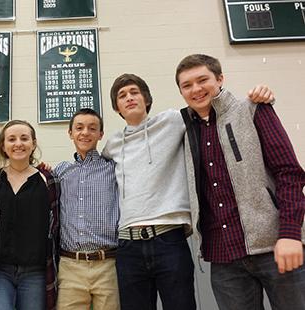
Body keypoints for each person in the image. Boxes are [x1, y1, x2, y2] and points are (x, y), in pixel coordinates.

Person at [102, 73, 274, 310]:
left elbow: (207, 106)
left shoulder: (174, 120)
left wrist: (258, 95)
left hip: (168, 239)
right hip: (128, 245)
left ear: (147, 99)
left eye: (134, 92)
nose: (129, 98)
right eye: (122, 96)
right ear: (116, 107)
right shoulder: (112, 145)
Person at [176, 54, 305, 310]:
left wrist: (290, 232)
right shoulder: (184, 130)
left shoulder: (254, 109)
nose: (196, 89)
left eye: (203, 80)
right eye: (187, 85)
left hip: (274, 246)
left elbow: (289, 172)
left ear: (220, 78)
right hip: (224, 258)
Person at [0, 120, 60, 310]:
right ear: (3, 146)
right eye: (11, 139)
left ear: (33, 144)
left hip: (36, 272)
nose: (18, 143)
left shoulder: (49, 181)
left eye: (24, 138)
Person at [54, 108, 119, 310]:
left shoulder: (113, 168)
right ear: (70, 133)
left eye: (92, 128)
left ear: (101, 134)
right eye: (79, 128)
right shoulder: (60, 172)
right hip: (70, 264)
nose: (85, 133)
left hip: (107, 263)